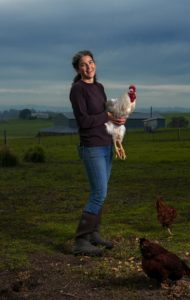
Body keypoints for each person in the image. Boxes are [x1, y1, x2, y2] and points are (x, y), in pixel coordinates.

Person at [69, 50, 126, 256]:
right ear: (78, 69)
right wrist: (106, 116)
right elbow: (84, 121)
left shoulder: (99, 87)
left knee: (101, 193)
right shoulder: (77, 90)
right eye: (83, 64)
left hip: (106, 144)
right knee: (99, 193)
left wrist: (116, 118)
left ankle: (93, 233)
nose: (89, 67)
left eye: (91, 62)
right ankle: (81, 240)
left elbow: (105, 115)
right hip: (91, 146)